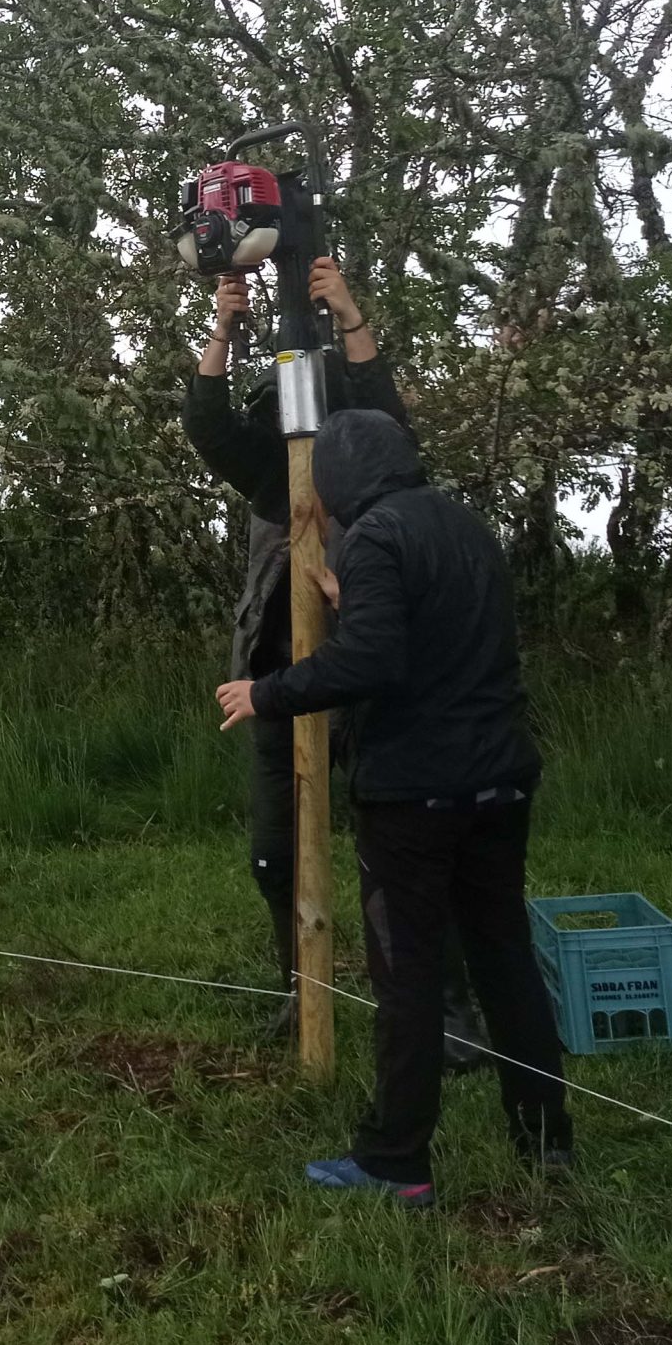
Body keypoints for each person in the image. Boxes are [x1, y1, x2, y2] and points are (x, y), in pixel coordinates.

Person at [217, 410, 573, 1205]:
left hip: (418, 794)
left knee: (404, 975)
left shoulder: (374, 535)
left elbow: (372, 660)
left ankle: (395, 1162)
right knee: (504, 957)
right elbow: (436, 631)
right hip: (501, 781)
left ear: (340, 481)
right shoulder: (464, 525)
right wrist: (354, 597)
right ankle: (546, 1139)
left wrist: (265, 691)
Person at [182, 258, 481, 1061]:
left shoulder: (374, 486)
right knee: (273, 854)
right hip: (276, 688)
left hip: (367, 691)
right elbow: (206, 423)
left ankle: (451, 1012)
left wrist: (347, 312)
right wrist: (222, 324)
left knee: (411, 858)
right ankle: (300, 989)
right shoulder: (266, 477)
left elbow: (389, 415)